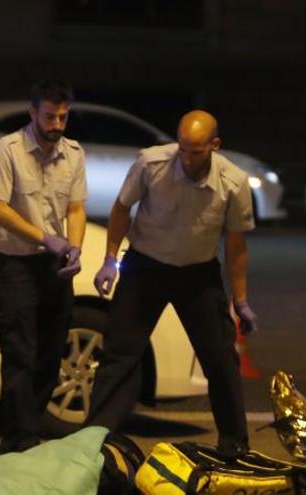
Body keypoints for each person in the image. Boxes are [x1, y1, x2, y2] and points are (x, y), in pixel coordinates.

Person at [89, 110, 256, 456]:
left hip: (198, 274)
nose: (186, 157)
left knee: (221, 358)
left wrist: (240, 300)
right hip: (144, 267)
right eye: (182, 148)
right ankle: (93, 443)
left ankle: (234, 445)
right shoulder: (151, 163)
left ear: (214, 145)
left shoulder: (234, 182)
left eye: (195, 151)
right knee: (120, 353)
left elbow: (236, 245)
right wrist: (109, 258)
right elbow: (121, 209)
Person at [0, 80, 87, 454]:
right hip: (18, 264)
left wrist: (74, 248)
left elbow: (75, 207)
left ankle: (33, 430)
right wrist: (45, 238)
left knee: (50, 350)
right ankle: (16, 441)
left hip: (54, 264)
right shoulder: (8, 150)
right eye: (49, 116)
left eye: (63, 116)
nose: (57, 123)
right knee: (19, 352)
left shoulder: (73, 153)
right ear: (32, 113)